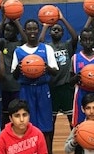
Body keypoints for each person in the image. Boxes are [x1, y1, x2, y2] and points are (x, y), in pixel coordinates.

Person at [11, 19, 59, 154]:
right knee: (26, 124)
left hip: (42, 88)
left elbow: (55, 71)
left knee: (46, 127)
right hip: (26, 90)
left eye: (34, 29)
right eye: (29, 29)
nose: (32, 32)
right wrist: (20, 68)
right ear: (24, 31)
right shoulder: (19, 51)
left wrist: (44, 66)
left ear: (38, 30)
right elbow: (14, 76)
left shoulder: (46, 48)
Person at [39, 8, 78, 152]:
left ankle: (76, 147)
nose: (56, 31)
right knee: (51, 124)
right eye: (53, 30)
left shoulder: (67, 46)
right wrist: (45, 26)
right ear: (50, 32)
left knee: (72, 122)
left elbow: (75, 37)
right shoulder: (47, 47)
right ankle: (49, 151)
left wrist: (62, 19)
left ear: (62, 33)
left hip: (66, 88)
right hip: (52, 89)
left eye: (58, 30)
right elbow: (40, 41)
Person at [0, 13, 27, 129]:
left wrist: (17, 22)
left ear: (16, 32)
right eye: (5, 30)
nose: (6, 33)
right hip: (4, 85)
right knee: (5, 114)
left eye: (10, 31)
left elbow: (26, 39)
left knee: (17, 112)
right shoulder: (3, 43)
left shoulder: (20, 45)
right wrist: (3, 20)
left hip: (17, 86)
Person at [70, 28, 94, 127]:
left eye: (90, 39)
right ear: (81, 41)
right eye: (85, 39)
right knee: (79, 126)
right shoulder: (75, 58)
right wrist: (77, 78)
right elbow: (70, 82)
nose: (88, 42)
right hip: (81, 93)